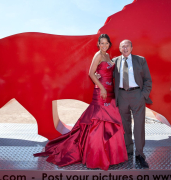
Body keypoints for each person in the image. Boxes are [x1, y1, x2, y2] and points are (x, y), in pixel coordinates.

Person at [33, 34, 128, 170]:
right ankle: (96, 155)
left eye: (106, 43)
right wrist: (101, 87)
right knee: (97, 121)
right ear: (98, 44)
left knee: (109, 122)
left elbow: (107, 72)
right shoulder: (98, 55)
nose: (104, 45)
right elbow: (90, 73)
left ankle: (109, 154)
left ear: (109, 44)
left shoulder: (108, 56)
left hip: (110, 91)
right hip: (101, 91)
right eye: (102, 43)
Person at [112, 40, 152, 169]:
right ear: (119, 48)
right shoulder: (114, 61)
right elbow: (107, 75)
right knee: (125, 126)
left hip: (137, 95)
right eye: (122, 46)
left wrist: (143, 95)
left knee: (139, 126)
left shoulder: (140, 60)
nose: (125, 48)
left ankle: (140, 155)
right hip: (122, 96)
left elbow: (147, 79)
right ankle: (128, 151)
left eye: (127, 46)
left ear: (131, 48)